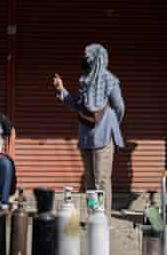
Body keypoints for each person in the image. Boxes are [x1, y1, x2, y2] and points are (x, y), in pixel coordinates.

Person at [53, 43, 125, 218]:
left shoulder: (109, 80)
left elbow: (119, 106)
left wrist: (110, 123)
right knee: (90, 180)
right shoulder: (84, 81)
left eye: (87, 57)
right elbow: (77, 104)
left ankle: (104, 219)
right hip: (86, 135)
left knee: (102, 178)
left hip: (103, 136)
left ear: (97, 59)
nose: (85, 60)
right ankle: (94, 215)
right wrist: (61, 90)